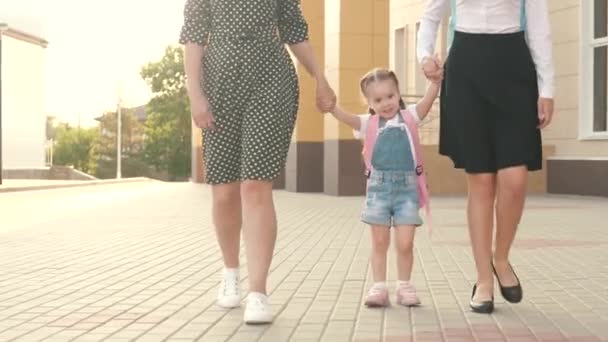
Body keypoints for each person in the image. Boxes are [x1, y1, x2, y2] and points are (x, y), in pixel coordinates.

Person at [179, 0, 336, 324]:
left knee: (255, 185)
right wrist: (195, 94)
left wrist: (320, 78)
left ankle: (258, 292)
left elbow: (295, 32)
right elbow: (193, 37)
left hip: (271, 82)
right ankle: (231, 271)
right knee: (223, 192)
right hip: (219, 85)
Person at [417, 0, 555, 313]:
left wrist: (547, 87)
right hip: (466, 67)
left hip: (515, 66)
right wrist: (425, 56)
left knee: (515, 178)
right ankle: (483, 280)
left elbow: (540, 28)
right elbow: (430, 16)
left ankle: (500, 257)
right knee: (480, 179)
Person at [329, 68, 439, 307]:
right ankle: (379, 287)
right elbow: (346, 117)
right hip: (378, 191)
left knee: (405, 242)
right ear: (369, 102)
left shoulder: (410, 116)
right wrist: (332, 107)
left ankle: (404, 286)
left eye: (390, 96)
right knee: (379, 242)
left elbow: (428, 101)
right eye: (378, 100)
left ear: (398, 93)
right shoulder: (368, 123)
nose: (386, 103)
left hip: (407, 191)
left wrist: (435, 82)